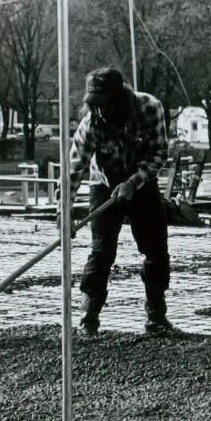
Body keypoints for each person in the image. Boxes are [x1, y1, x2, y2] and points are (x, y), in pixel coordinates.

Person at [63, 67, 174, 336]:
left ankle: (156, 317)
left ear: (120, 98)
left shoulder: (150, 108)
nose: (99, 111)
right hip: (104, 183)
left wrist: (133, 182)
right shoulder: (90, 124)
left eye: (104, 104)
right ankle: (89, 318)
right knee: (101, 251)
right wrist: (63, 212)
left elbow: (160, 152)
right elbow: (74, 169)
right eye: (94, 105)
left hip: (143, 183)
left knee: (155, 249)